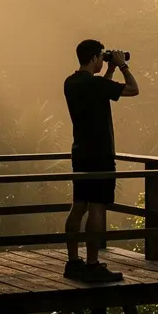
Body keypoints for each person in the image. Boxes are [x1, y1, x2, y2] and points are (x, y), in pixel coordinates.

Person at [62, 39, 139, 283]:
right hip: (100, 154)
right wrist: (122, 65)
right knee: (97, 207)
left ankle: (73, 262)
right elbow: (133, 89)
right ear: (96, 57)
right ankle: (93, 265)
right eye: (101, 57)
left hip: (80, 153)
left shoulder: (71, 83)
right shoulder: (95, 85)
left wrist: (110, 69)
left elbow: (100, 89)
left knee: (79, 206)